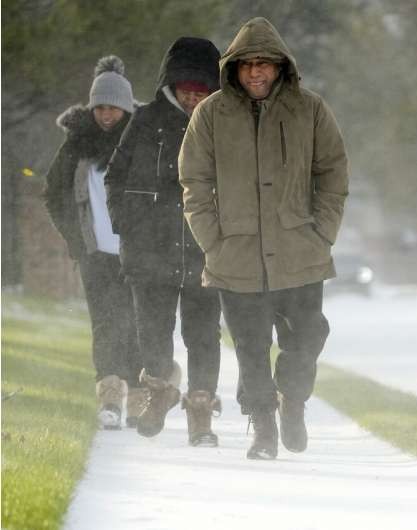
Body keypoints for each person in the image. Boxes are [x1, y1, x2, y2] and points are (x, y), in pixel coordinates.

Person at [179, 17, 349, 460]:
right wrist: (212, 240)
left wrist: (322, 232)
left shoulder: (311, 110)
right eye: (247, 64)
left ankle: (292, 400)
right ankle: (263, 426)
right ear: (233, 68)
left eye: (265, 64)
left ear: (281, 67)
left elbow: (333, 174)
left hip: (300, 252)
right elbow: (193, 181)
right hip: (234, 255)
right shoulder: (210, 114)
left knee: (308, 336)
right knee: (251, 346)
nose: (256, 72)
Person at [105, 37, 223, 447]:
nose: (193, 96)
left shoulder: (224, 123)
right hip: (148, 251)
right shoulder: (144, 120)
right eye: (186, 88)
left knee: (203, 336)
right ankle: (159, 392)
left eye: (201, 89)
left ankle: (201, 412)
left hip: (206, 252)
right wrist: (126, 225)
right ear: (171, 85)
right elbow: (115, 176)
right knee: (152, 333)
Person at [44, 56, 144, 430]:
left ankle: (138, 395)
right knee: (105, 323)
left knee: (136, 323)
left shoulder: (143, 143)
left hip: (137, 252)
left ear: (126, 108)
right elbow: (53, 194)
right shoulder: (76, 145)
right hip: (95, 252)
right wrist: (75, 239)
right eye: (100, 107)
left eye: (114, 108)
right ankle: (109, 395)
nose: (106, 115)